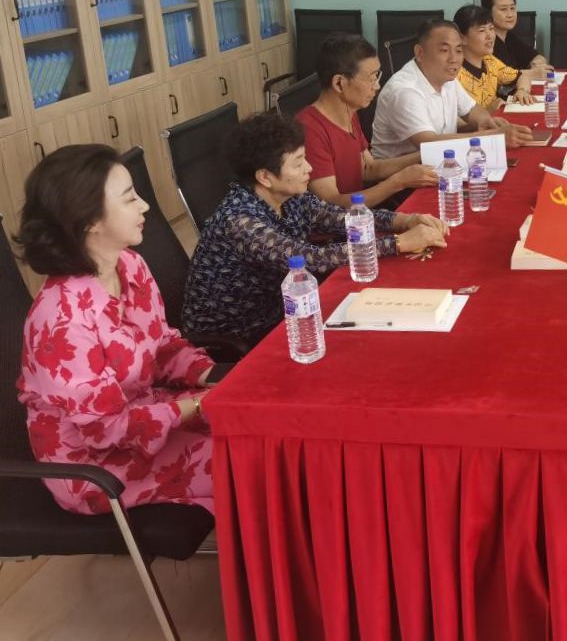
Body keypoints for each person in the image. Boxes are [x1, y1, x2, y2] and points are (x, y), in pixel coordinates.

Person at [15, 145, 218, 515]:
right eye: (129, 199)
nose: (145, 206)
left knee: (259, 424)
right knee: (243, 455)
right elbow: (106, 430)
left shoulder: (130, 265)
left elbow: (162, 347)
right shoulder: (62, 319)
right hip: (94, 464)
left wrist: (215, 376)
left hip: (146, 414)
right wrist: (200, 404)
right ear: (89, 220)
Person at [184, 114, 448, 347]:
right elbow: (309, 259)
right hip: (239, 334)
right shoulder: (239, 221)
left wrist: (404, 220)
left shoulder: (289, 196)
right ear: (265, 177)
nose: (309, 168)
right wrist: (398, 243)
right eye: (298, 163)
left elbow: (341, 218)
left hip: (287, 309)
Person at [297, 32, 437, 209]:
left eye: (377, 76)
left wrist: (427, 154)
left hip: (363, 213)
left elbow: (368, 169)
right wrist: (399, 181)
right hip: (342, 223)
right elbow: (332, 204)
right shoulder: (309, 129)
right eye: (371, 78)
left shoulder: (349, 110)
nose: (377, 86)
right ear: (339, 83)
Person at [370, 19, 535, 158]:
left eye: (458, 50)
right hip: (402, 179)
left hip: (441, 164)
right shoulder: (405, 91)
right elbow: (428, 144)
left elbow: (473, 111)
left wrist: (487, 122)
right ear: (420, 53)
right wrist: (493, 137)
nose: (454, 59)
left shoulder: (447, 77)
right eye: (444, 50)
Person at [453, 4, 536, 110]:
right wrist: (488, 111)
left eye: (491, 28)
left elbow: (521, 76)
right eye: (482, 30)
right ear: (462, 38)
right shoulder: (454, 74)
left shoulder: (489, 60)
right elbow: (454, 118)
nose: (490, 36)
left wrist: (522, 91)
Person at [481, 0, 550, 73]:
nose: (510, 14)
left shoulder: (509, 37)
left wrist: (536, 64)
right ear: (488, 12)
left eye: (512, 8)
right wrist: (532, 72)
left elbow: (537, 57)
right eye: (503, 9)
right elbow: (501, 75)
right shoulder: (485, 41)